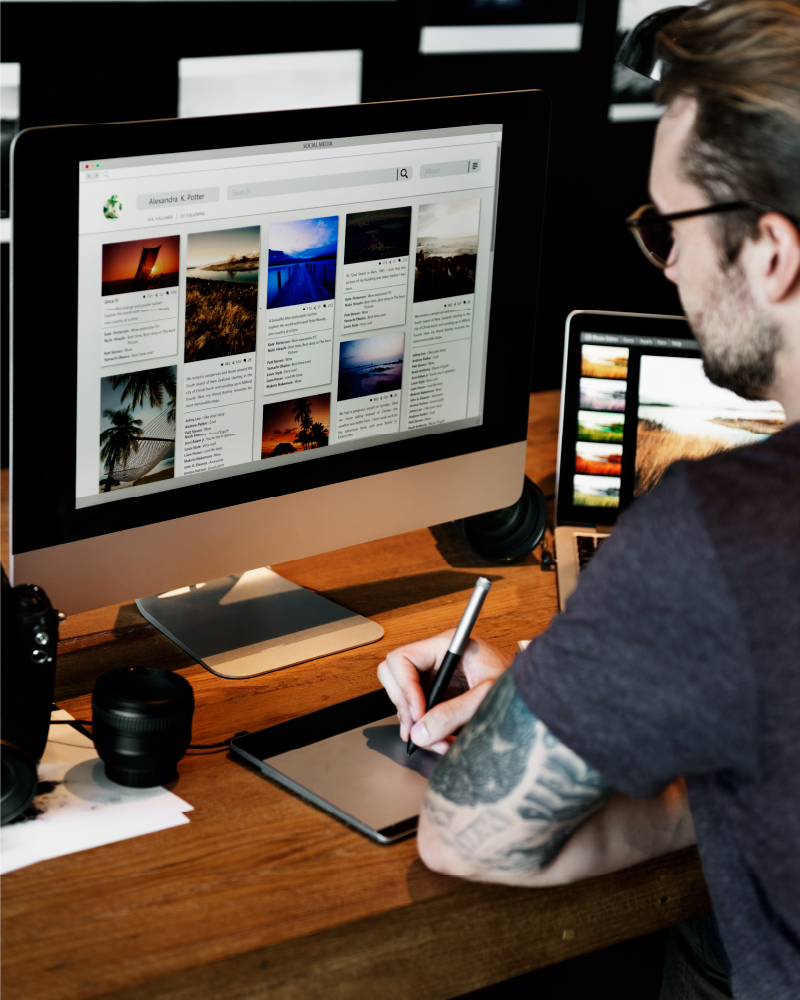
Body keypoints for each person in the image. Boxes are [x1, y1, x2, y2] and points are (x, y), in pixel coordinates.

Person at [377, 2, 800, 997]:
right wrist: (601, 682)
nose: (668, 266)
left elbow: (468, 837)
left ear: (771, 252)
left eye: (669, 228)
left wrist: (653, 761)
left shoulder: (725, 532)